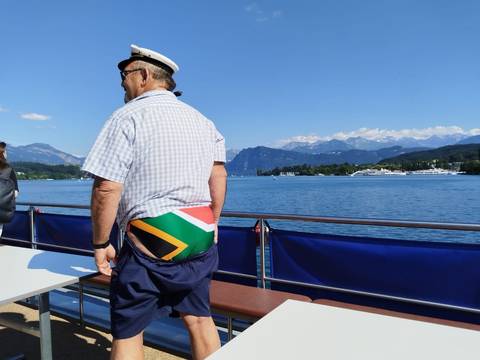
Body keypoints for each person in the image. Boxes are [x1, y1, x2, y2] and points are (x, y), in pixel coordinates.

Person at [82, 44, 227, 360]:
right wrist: (214, 220)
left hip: (152, 234)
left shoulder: (127, 116)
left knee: (128, 330)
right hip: (199, 233)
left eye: (124, 75)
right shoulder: (203, 121)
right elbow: (218, 176)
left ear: (144, 75)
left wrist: (100, 242)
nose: (121, 82)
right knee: (200, 319)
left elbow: (106, 189)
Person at [0, 142, 19, 238]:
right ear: (2, 154)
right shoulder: (8, 169)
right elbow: (15, 193)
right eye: (6, 152)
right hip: (2, 211)